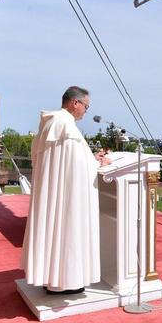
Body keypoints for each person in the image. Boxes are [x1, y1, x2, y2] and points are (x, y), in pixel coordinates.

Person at [21, 86, 110, 295]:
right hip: (65, 194)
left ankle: (50, 277)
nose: (86, 111)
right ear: (74, 103)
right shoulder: (65, 126)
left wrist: (91, 159)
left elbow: (70, 159)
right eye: (86, 106)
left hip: (53, 191)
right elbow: (78, 167)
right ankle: (63, 282)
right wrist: (99, 163)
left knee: (53, 228)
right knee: (65, 228)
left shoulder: (52, 123)